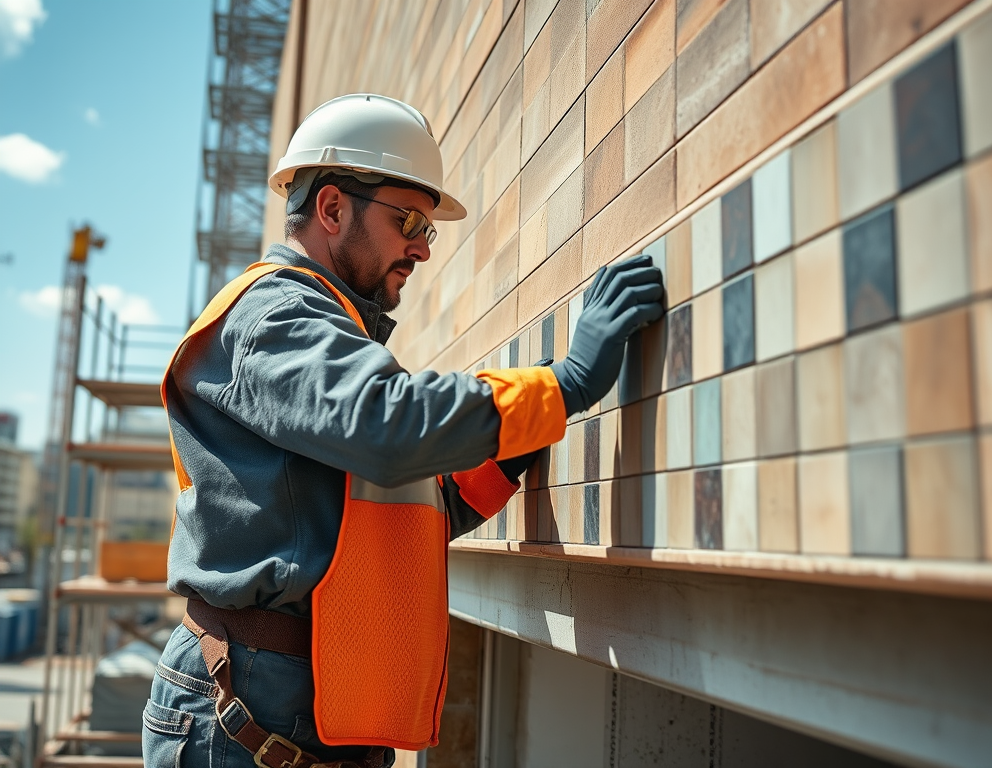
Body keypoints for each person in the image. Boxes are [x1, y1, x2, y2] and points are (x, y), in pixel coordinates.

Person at [144, 93, 663, 768]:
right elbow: (389, 426)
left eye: (426, 227)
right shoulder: (273, 313)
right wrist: (562, 385)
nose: (422, 246)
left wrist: (515, 443)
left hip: (298, 701)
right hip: (243, 706)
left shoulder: (328, 331)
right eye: (409, 218)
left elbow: (417, 509)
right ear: (332, 209)